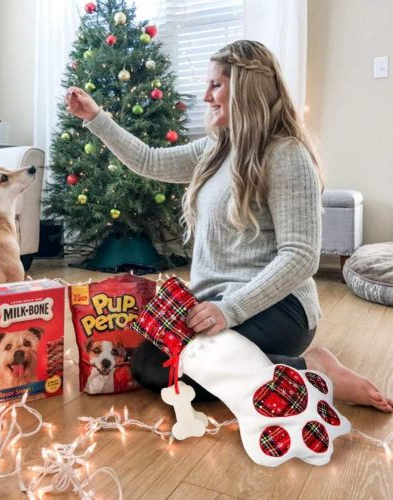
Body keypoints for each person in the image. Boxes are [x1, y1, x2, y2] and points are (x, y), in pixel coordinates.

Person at [66, 40, 392, 412]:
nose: (205, 96)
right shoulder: (218, 146)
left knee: (177, 369)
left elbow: (301, 257)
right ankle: (290, 367)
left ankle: (316, 372)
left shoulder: (286, 155)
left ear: (246, 89)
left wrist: (231, 310)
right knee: (148, 364)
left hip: (277, 307)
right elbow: (150, 161)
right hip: (218, 303)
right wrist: (95, 118)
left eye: (215, 85)